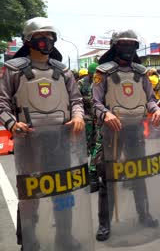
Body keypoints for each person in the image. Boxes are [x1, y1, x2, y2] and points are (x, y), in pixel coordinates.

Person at [0, 17, 85, 250]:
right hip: (29, 141)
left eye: (49, 37)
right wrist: (11, 124)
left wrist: (77, 116)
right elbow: (2, 103)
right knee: (30, 194)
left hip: (60, 140)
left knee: (63, 191)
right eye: (40, 37)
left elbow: (77, 100)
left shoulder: (64, 71)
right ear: (29, 40)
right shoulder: (12, 70)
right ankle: (29, 240)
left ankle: (64, 236)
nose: (46, 41)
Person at [93, 29, 160, 241]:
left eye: (131, 44)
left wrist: (156, 109)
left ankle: (144, 214)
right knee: (108, 177)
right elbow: (95, 102)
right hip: (112, 131)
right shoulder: (102, 72)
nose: (128, 48)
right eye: (123, 44)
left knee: (138, 173)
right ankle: (104, 223)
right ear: (115, 46)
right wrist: (105, 115)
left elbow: (150, 98)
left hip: (134, 129)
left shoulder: (142, 73)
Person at [78, 62, 99, 192]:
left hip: (98, 120)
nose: (94, 76)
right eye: (93, 74)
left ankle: (93, 173)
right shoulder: (81, 83)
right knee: (84, 146)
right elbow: (76, 100)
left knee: (96, 146)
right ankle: (82, 172)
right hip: (86, 120)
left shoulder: (101, 82)